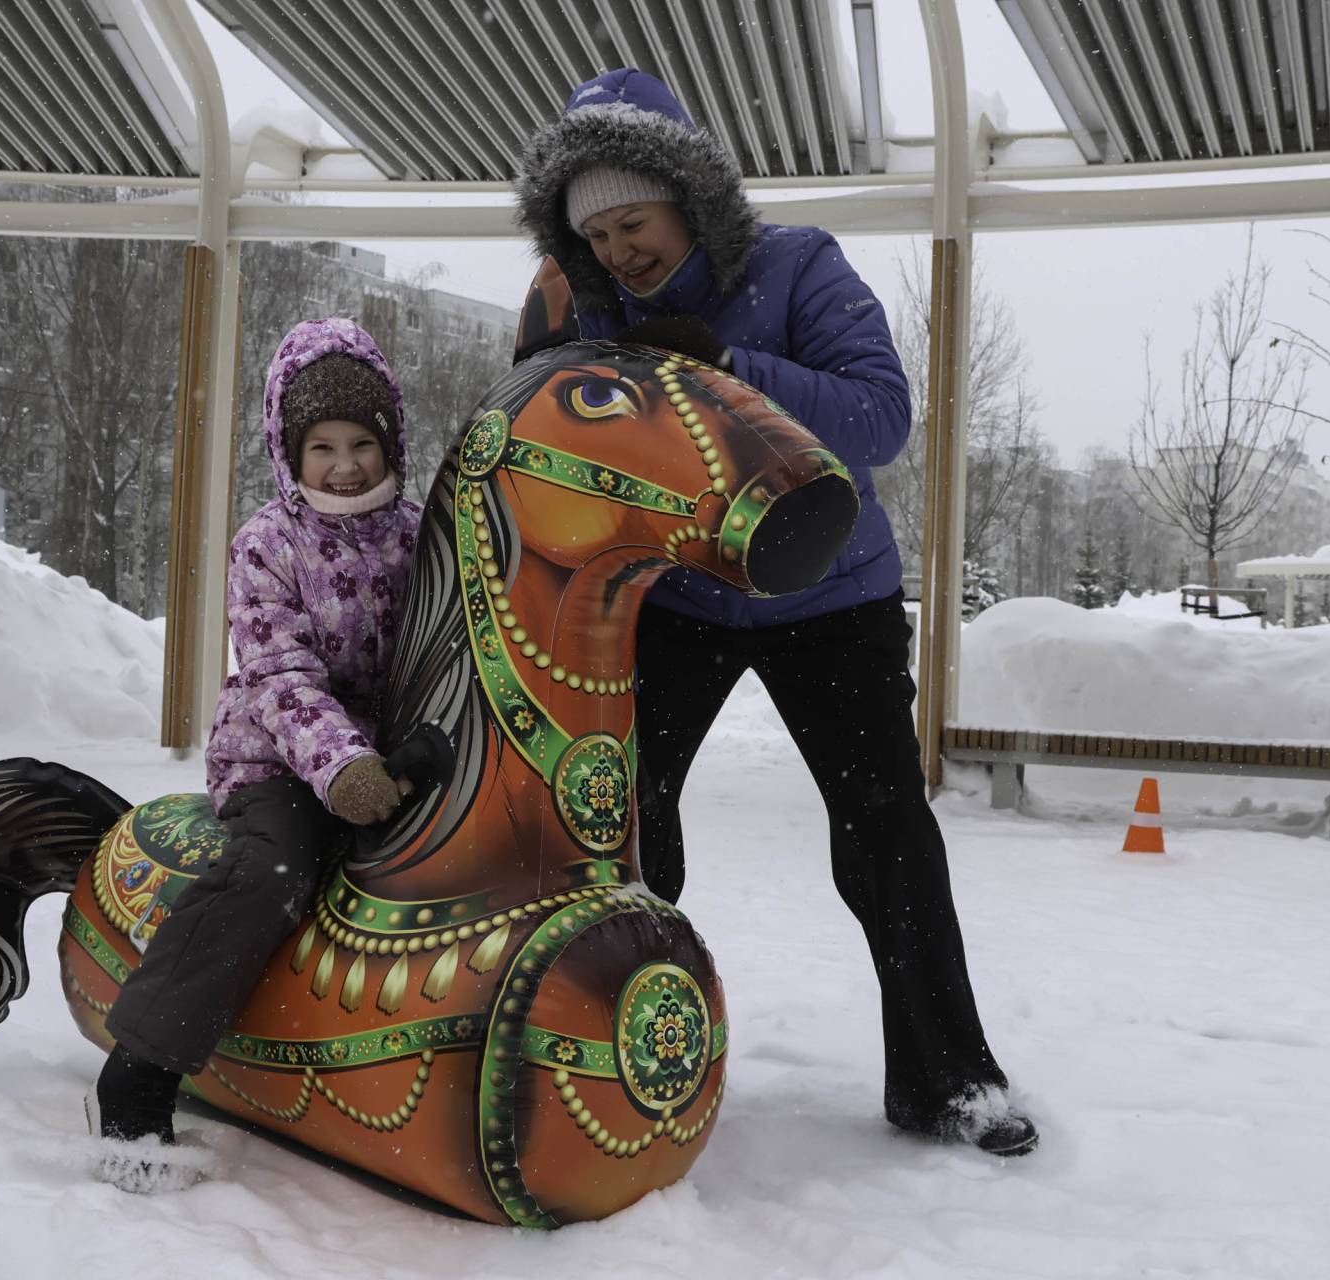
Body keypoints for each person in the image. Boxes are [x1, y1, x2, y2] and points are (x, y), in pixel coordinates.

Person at [513, 69, 1038, 1156]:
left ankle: (950, 1079)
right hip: (678, 600)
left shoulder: (798, 265)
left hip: (827, 593)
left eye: (634, 220)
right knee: (614, 818)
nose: (619, 250)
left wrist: (727, 369)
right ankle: (607, 1057)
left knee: (885, 831)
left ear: (688, 198)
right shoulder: (590, 308)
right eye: (597, 232)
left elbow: (883, 416)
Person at [89, 317, 422, 1190]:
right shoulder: (266, 543)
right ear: (289, 448)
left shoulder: (424, 533)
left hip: (389, 756)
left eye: (361, 443)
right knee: (276, 869)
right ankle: (141, 1073)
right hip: (279, 755)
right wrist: (340, 763)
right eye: (322, 445)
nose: (345, 464)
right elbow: (277, 672)